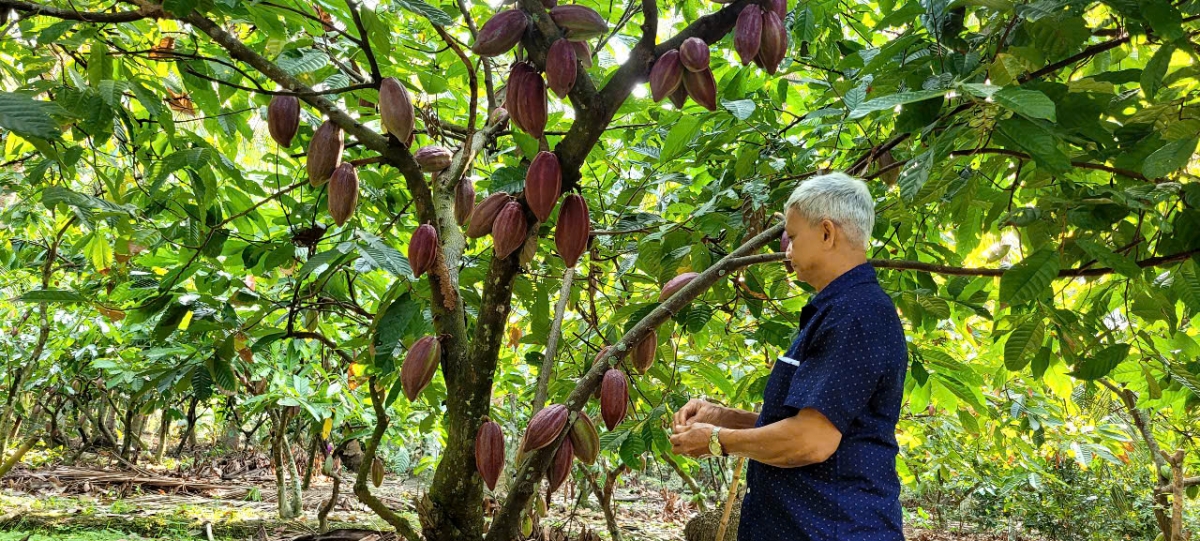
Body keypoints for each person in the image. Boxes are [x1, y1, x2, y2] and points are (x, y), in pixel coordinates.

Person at [669, 172, 908, 541]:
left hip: (834, 529)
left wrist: (718, 439)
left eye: (794, 237)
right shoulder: (837, 311)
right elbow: (811, 424)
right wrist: (724, 417)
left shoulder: (856, 315)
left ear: (827, 233)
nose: (787, 251)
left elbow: (811, 440)